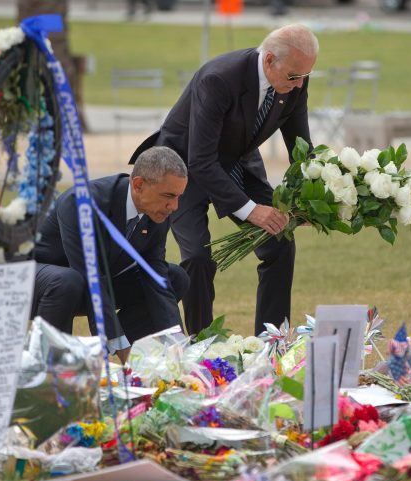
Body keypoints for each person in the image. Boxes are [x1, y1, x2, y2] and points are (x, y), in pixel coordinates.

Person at [130, 24, 319, 336]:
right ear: (269, 60)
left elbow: (302, 149)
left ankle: (270, 342)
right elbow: (201, 161)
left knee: (279, 241)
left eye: (305, 77)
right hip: (183, 165)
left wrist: (316, 194)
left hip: (237, 161)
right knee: (197, 258)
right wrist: (251, 210)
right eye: (294, 77)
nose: (299, 85)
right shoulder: (219, 78)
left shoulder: (295, 80)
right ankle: (203, 344)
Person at [31, 146, 189, 363]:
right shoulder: (82, 202)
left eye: (179, 196)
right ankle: (52, 366)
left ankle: (141, 359)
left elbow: (155, 274)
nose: (174, 206)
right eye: (169, 196)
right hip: (40, 282)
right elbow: (89, 274)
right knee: (68, 280)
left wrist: (177, 343)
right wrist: (120, 347)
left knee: (175, 277)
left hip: (87, 281)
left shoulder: (158, 210)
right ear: (139, 184)